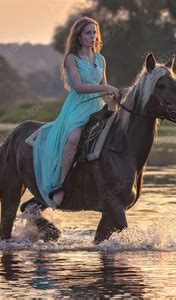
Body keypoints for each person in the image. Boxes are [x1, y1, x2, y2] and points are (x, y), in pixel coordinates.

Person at [32, 17, 121, 209]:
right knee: (73, 138)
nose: (93, 36)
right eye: (88, 33)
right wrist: (105, 87)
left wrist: (115, 99)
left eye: (95, 32)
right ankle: (60, 185)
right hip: (77, 108)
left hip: (97, 106)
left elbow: (103, 91)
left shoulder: (100, 59)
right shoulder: (71, 59)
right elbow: (80, 87)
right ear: (79, 37)